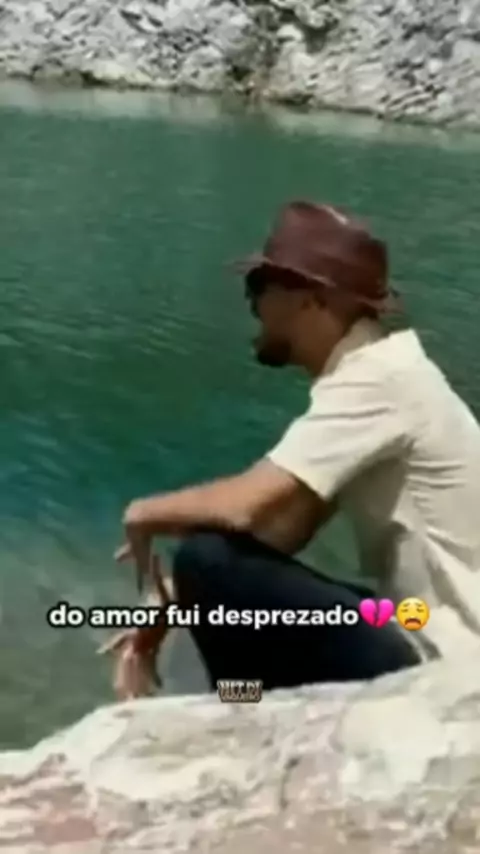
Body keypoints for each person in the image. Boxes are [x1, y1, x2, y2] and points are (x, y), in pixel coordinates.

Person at [111, 200, 480, 697]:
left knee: (207, 559)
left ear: (311, 299)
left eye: (258, 286)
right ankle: (238, 703)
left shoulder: (378, 381)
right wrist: (173, 601)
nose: (251, 304)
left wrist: (143, 513)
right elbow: (284, 528)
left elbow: (244, 507)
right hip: (422, 629)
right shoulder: (385, 373)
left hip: (444, 657)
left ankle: (239, 709)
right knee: (216, 572)